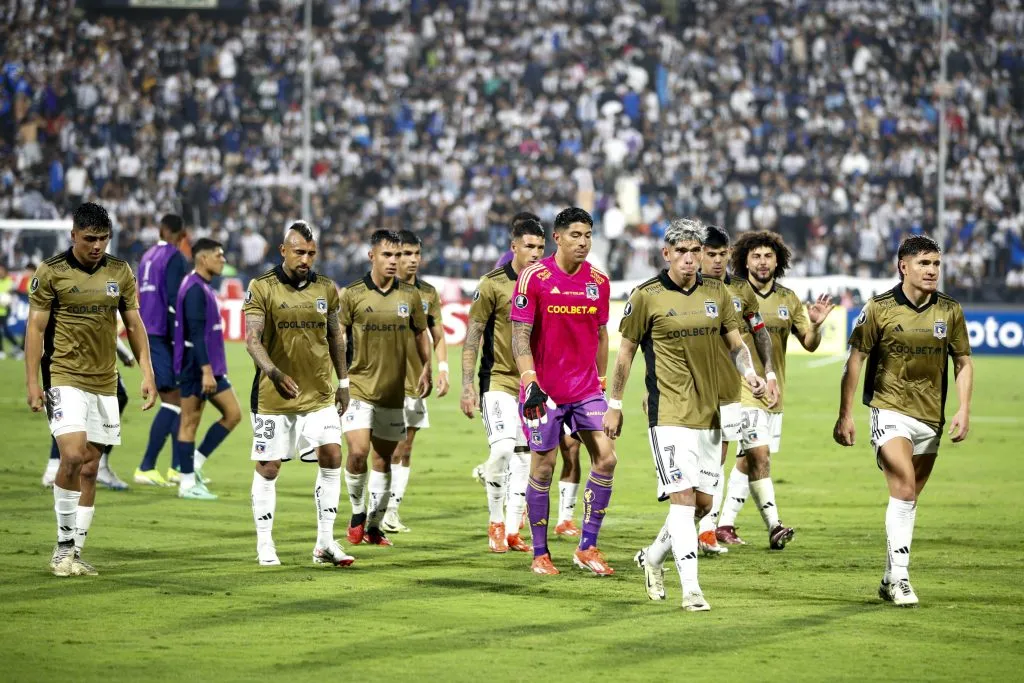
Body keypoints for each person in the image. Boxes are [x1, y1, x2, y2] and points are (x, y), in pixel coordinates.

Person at [604, 219, 767, 611]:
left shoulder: (717, 292)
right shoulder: (646, 296)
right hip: (669, 412)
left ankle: (653, 558)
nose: (691, 259)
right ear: (666, 254)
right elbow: (625, 350)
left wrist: (750, 373)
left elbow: (736, 342)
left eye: (696, 251)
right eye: (682, 252)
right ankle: (691, 589)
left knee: (703, 504)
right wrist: (615, 403)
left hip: (711, 412)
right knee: (681, 499)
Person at [834, 235, 973, 607]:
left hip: (931, 417)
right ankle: (902, 579)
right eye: (924, 263)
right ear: (904, 267)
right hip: (888, 407)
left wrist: (963, 408)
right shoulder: (879, 308)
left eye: (936, 264)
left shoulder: (950, 310)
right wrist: (846, 413)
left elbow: (962, 362)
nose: (932, 270)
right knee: (905, 490)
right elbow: (855, 359)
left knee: (906, 502)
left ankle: (887, 575)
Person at [25, 202, 157, 577]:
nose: (97, 246)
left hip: (105, 381)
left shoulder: (120, 271)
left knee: (91, 467)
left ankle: (75, 552)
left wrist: (147, 372)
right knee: (72, 455)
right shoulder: (51, 272)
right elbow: (35, 330)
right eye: (89, 239)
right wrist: (33, 382)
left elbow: (134, 325)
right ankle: (62, 547)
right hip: (64, 376)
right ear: (74, 236)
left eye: (103, 238)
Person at [510, 207, 616, 576]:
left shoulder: (599, 282)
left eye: (588, 235)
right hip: (544, 391)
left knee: (606, 459)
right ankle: (540, 553)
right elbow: (520, 336)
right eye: (575, 235)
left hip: (586, 388)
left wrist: (602, 383)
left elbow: (602, 334)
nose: (583, 242)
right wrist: (530, 382)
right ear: (557, 238)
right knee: (543, 467)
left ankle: (587, 546)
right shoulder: (533, 278)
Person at [715, 231, 834, 549]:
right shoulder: (729, 292)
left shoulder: (788, 299)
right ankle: (774, 525)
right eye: (756, 256)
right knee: (759, 454)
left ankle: (723, 525)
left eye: (768, 256)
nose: (762, 262)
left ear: (778, 260)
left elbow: (808, 344)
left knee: (748, 459)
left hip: (772, 392)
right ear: (744, 260)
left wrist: (817, 325)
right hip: (739, 389)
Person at [244, 221, 354, 567]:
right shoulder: (261, 288)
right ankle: (265, 544)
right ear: (283, 251)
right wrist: (274, 373)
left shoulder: (325, 288)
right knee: (269, 466)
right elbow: (252, 340)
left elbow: (336, 337)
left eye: (311, 253)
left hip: (319, 393)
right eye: (299, 252)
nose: (305, 259)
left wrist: (344, 382)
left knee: (333, 456)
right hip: (273, 397)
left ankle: (324, 543)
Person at [340, 230, 432, 548]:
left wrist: (427, 368)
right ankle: (356, 513)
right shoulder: (351, 295)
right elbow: (337, 336)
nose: (394, 261)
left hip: (394, 393)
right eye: (387, 255)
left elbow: (422, 334)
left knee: (383, 459)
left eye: (398, 256)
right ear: (372, 256)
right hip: (359, 388)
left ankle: (375, 526)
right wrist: (337, 379)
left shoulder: (409, 296)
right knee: (358, 453)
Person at [461, 218, 546, 552]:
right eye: (529, 246)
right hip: (497, 380)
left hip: (536, 383)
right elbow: (472, 338)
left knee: (526, 458)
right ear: (514, 247)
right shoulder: (492, 284)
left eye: (540, 247)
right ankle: (495, 522)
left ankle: (512, 529)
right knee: (501, 450)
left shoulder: (549, 284)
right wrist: (468, 386)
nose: (535, 253)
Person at [695, 225, 779, 556]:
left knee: (717, 459)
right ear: (699, 253)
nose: (716, 261)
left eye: (721, 254)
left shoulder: (741, 291)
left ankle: (706, 531)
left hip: (730, 389)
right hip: (693, 387)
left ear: (730, 254)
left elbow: (758, 332)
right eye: (710, 254)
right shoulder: (688, 288)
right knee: (696, 460)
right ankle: (691, 527)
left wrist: (766, 371)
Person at [381, 230, 450, 533]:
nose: (411, 260)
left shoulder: (428, 293)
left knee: (405, 449)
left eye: (415, 254)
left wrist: (442, 368)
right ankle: (372, 509)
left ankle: (391, 511)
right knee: (383, 450)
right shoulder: (380, 290)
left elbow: (438, 334)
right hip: (381, 384)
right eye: (405, 254)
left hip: (415, 383)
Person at [173, 238, 241, 500]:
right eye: (219, 255)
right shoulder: (193, 289)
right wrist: (205, 370)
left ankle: (194, 466)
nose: (223, 260)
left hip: (208, 366)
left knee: (233, 414)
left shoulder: (201, 287)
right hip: (196, 367)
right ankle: (187, 483)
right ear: (203, 258)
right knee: (190, 421)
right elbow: (195, 335)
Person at [133, 214, 189, 487]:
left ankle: (179, 468)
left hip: (147, 331)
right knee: (173, 402)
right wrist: (182, 338)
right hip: (163, 334)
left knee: (178, 400)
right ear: (181, 234)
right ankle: (146, 467)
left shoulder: (147, 256)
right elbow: (174, 300)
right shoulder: (175, 258)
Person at [42, 339, 134, 490]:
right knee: (65, 405)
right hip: (65, 356)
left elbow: (101, 319)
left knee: (118, 397)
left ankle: (95, 465)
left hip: (94, 355)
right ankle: (56, 465)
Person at [0, 263, 22, 359]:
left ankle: (16, 345)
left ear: (5, 271)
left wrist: (7, 297)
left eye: (1, 270)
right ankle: (1, 351)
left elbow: (13, 293)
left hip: (5, 310)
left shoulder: (10, 281)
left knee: (5, 331)